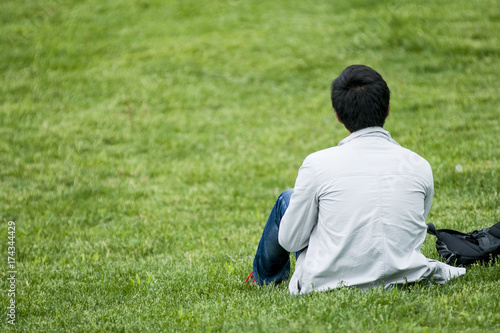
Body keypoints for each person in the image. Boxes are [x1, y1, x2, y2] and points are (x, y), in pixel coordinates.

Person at [246, 65, 466, 294]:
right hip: (405, 273)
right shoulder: (419, 165)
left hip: (328, 280)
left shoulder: (317, 164)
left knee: (287, 199)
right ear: (388, 109)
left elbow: (291, 242)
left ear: (338, 116)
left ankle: (264, 279)